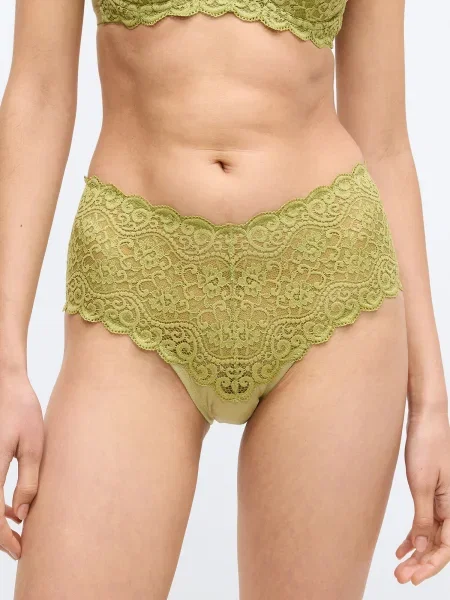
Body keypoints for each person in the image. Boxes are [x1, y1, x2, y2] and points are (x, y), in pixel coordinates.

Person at [0, 0, 449, 598]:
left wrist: (431, 404)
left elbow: (384, 141)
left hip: (331, 283)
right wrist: (4, 363)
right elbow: (38, 93)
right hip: (135, 283)